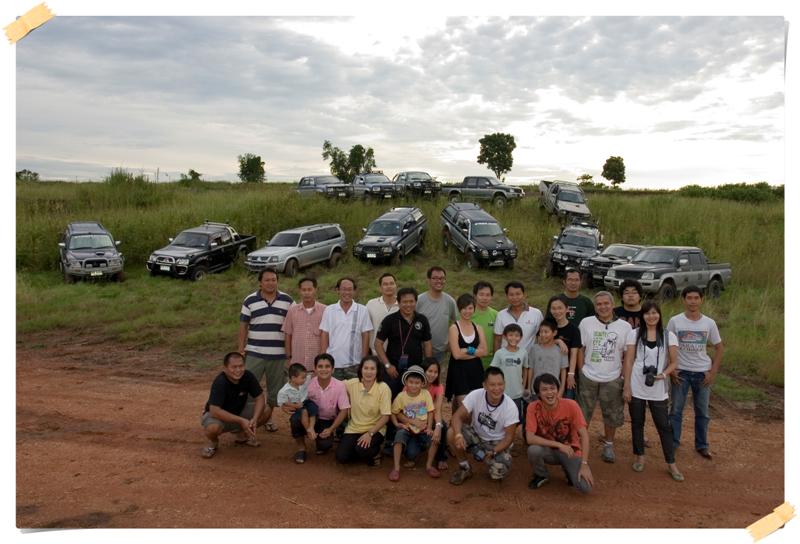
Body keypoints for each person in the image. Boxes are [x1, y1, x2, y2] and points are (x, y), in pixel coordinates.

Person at [622, 301, 684, 481]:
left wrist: (663, 375)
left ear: (659, 315)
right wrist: (627, 386)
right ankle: (639, 456)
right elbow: (629, 361)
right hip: (636, 384)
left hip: (658, 387)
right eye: (647, 313)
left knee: (664, 426)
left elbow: (674, 362)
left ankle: (671, 463)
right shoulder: (634, 334)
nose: (651, 316)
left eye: (654, 313)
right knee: (637, 422)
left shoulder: (668, 336)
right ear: (642, 316)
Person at [667, 285, 724, 460]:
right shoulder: (675, 321)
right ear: (683, 300)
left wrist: (712, 372)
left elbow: (719, 347)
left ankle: (702, 445)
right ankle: (673, 443)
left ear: (701, 300)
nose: (693, 301)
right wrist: (671, 369)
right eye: (689, 298)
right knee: (676, 410)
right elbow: (668, 345)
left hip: (702, 373)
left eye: (696, 298)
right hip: (681, 372)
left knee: (702, 412)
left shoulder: (709, 323)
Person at [577, 291, 632, 463]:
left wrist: (624, 377)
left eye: (606, 303)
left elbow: (627, 355)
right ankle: (579, 444)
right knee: (583, 413)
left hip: (613, 377)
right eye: (599, 304)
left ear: (613, 304)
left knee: (612, 414)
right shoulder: (586, 323)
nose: (603, 307)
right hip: (589, 376)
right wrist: (581, 370)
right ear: (595, 307)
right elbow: (580, 348)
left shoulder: (625, 327)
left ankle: (608, 444)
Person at [238, 269, 294, 432]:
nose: (271, 283)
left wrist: (290, 354)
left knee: (275, 391)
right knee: (249, 388)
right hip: (254, 353)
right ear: (260, 283)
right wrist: (240, 350)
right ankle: (246, 420)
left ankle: (267, 418)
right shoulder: (250, 300)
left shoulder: (288, 301)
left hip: (278, 355)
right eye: (267, 280)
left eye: (274, 280)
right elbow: (243, 326)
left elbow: (293, 326)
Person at [447, 367, 519, 485]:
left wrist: (494, 452)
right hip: (477, 437)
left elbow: (509, 437)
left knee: (497, 472)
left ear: (504, 384)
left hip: (497, 443)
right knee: (451, 433)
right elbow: (457, 417)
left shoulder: (510, 407)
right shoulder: (476, 395)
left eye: (500, 384)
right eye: (492, 385)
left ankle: (486, 456)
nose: (497, 388)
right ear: (484, 385)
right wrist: (458, 435)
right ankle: (465, 467)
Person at [525, 373, 593, 493]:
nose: (550, 393)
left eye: (553, 388)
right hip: (549, 450)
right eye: (544, 390)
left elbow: (584, 435)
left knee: (585, 488)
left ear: (558, 389)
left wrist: (584, 464)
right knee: (533, 450)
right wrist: (559, 445)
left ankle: (568, 469)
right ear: (538, 393)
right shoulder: (533, 407)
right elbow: (530, 438)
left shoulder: (571, 405)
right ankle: (541, 475)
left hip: (571, 451)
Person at [200, 352, 270, 459]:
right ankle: (213, 442)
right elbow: (214, 411)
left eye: (241, 366)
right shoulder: (220, 382)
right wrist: (241, 421)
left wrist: (255, 419)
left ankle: (241, 433)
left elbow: (260, 397)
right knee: (213, 428)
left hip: (239, 411)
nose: (238, 370)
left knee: (267, 410)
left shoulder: (247, 376)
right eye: (234, 367)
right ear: (225, 368)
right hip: (219, 416)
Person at [374, 287, 433, 398]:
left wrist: (427, 367)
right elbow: (378, 344)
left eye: (411, 301)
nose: (408, 305)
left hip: (415, 370)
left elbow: (427, 344)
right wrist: (387, 365)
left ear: (416, 302)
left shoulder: (422, 320)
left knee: (413, 401)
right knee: (391, 398)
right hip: (393, 370)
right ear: (398, 302)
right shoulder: (389, 320)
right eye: (405, 302)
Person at [336, 356, 392, 466]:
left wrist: (370, 433)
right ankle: (360, 451)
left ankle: (375, 453)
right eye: (365, 368)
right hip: (354, 428)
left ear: (377, 371)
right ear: (361, 369)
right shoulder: (352, 383)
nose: (368, 372)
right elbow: (334, 385)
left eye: (372, 369)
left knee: (362, 450)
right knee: (341, 457)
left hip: (375, 429)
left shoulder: (383, 388)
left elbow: (386, 417)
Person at [388, 365, 437, 481]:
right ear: (406, 382)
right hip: (408, 428)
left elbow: (430, 411)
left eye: (417, 383)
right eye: (411, 382)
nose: (414, 385)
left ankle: (429, 466)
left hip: (423, 428)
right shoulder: (401, 396)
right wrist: (396, 424)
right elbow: (393, 412)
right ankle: (396, 468)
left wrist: (430, 427)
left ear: (422, 384)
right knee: (399, 436)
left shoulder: (425, 394)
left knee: (435, 439)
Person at [320, 277, 373, 381]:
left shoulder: (363, 310)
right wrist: (323, 359)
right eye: (344, 289)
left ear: (354, 291)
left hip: (355, 365)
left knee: (355, 391)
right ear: (337, 290)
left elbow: (365, 335)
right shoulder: (329, 310)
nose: (347, 292)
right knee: (334, 391)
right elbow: (324, 334)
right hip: (333, 364)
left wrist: (364, 360)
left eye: (350, 289)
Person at [445, 294, 488, 413]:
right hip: (459, 371)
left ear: (474, 309)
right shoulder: (454, 328)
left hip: (475, 370)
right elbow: (456, 355)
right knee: (464, 408)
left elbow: (484, 351)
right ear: (459, 309)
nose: (467, 311)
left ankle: (454, 422)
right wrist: (476, 352)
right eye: (464, 308)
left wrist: (467, 350)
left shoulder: (478, 328)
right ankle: (456, 423)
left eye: (470, 308)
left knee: (475, 405)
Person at [303, 353, 350, 456]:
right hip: (309, 418)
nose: (323, 369)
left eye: (327, 366)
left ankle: (322, 439)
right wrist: (308, 426)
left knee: (325, 444)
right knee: (295, 420)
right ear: (315, 369)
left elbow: (344, 410)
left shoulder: (340, 386)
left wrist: (331, 429)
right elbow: (299, 403)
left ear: (333, 369)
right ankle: (301, 448)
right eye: (320, 366)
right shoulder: (308, 384)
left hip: (327, 420)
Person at [282, 277, 326, 374]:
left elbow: (326, 336)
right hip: (297, 364)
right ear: (300, 291)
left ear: (315, 290)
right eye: (304, 290)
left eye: (309, 290)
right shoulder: (292, 310)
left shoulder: (325, 310)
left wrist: (323, 360)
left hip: (317, 365)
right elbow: (288, 334)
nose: (307, 293)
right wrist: (288, 357)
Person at [416, 266, 458, 369]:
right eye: (435, 278)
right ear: (428, 280)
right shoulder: (419, 300)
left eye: (442, 278)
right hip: (420, 351)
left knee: (435, 377)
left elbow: (458, 323)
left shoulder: (450, 301)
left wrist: (451, 341)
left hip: (440, 352)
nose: (439, 281)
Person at [545, 295, 581, 400]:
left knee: (567, 401)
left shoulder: (574, 329)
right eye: (553, 308)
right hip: (549, 370)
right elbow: (541, 343)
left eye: (560, 308)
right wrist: (558, 341)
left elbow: (574, 353)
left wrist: (571, 374)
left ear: (567, 309)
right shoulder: (547, 326)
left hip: (567, 371)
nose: (557, 311)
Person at [490, 323, 528, 423]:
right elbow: (493, 370)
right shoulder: (499, 353)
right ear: (505, 337)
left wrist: (523, 385)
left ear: (521, 337)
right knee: (500, 418)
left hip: (517, 393)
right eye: (510, 335)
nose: (513, 338)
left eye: (517, 335)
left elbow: (525, 368)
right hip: (502, 392)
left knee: (516, 419)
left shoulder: (523, 352)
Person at [494, 281, 543, 354]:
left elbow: (541, 337)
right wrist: (496, 358)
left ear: (524, 295)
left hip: (528, 358)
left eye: (518, 294)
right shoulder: (501, 315)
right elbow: (497, 340)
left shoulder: (536, 313)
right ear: (507, 296)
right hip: (506, 358)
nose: (515, 297)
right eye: (511, 294)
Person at [527, 319, 568, 400]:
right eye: (541, 332)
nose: (543, 334)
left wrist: (561, 390)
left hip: (554, 391)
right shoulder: (534, 349)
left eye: (546, 332)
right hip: (536, 391)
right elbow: (531, 369)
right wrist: (528, 387)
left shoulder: (561, 350)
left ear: (554, 333)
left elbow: (563, 371)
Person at [422, 357, 449, 471]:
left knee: (443, 426)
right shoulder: (414, 382)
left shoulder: (438, 387)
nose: (432, 375)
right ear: (423, 370)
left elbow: (437, 409)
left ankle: (441, 457)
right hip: (415, 416)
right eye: (429, 371)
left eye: (435, 372)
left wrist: (438, 425)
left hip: (431, 415)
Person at [366, 273, 399, 354]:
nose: (389, 286)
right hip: (375, 353)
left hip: (397, 353)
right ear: (380, 287)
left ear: (396, 286)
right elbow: (365, 330)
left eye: (391, 283)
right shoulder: (371, 304)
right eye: (385, 284)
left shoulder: (403, 304)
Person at [471, 281, 498, 370]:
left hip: (491, 360)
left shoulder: (496, 315)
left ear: (491, 297)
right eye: (481, 294)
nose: (484, 298)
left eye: (488, 295)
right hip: (471, 358)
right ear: (475, 296)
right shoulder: (467, 314)